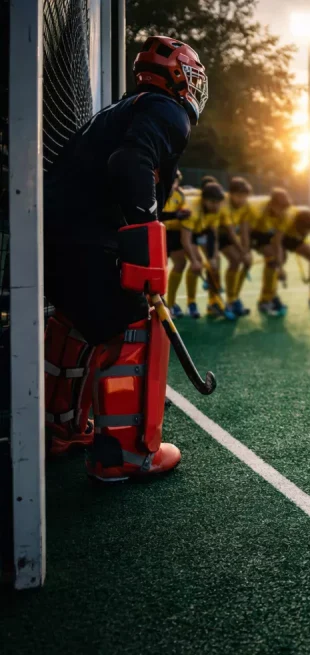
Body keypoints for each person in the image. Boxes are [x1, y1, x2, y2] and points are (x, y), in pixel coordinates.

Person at [42, 36, 207, 481]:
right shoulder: (167, 110)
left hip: (51, 242)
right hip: (92, 242)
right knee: (135, 329)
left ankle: (59, 429)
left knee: (74, 325)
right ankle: (125, 455)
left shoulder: (117, 111)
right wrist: (145, 238)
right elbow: (130, 162)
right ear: (181, 79)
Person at [180, 182, 235, 319]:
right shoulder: (192, 209)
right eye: (212, 202)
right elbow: (185, 239)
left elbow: (213, 235)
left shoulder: (216, 210)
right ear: (204, 200)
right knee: (197, 263)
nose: (216, 206)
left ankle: (213, 302)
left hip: (202, 231)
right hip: (184, 232)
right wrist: (194, 261)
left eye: (218, 202)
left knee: (215, 262)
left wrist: (213, 257)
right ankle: (191, 303)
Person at [163, 170, 203, 319]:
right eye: (171, 180)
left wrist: (184, 213)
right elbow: (156, 214)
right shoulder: (157, 193)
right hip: (157, 233)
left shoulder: (179, 195)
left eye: (175, 181)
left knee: (180, 264)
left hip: (173, 234)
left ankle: (171, 304)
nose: (173, 184)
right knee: (159, 269)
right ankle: (155, 305)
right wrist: (175, 215)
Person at [249, 188, 292, 316]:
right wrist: (245, 250)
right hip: (250, 231)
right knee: (272, 257)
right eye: (280, 208)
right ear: (272, 204)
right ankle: (265, 300)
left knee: (281, 257)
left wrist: (281, 268)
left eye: (285, 208)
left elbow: (277, 242)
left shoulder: (285, 214)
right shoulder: (257, 209)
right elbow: (245, 230)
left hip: (265, 233)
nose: (283, 211)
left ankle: (270, 295)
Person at [223, 176, 256, 317]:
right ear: (231, 194)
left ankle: (234, 298)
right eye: (239, 196)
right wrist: (242, 252)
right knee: (235, 260)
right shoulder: (224, 204)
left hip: (230, 236)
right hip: (218, 234)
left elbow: (244, 230)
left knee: (248, 261)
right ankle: (227, 301)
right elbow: (230, 233)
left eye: (245, 196)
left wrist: (246, 251)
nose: (242, 199)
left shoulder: (246, 206)